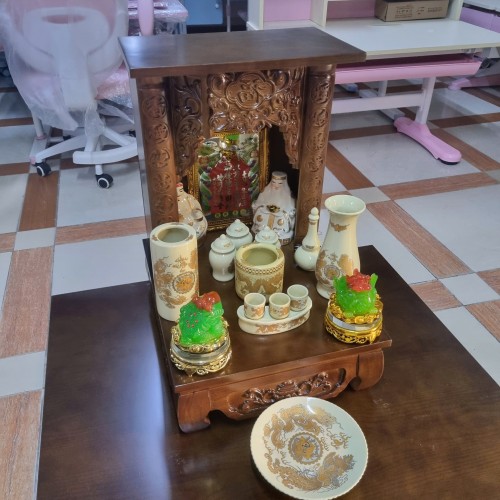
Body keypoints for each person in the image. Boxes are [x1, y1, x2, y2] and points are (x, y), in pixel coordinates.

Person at [252, 171, 296, 245]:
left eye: (280, 183)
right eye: (274, 182)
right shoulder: (265, 191)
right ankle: (261, 231)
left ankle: (278, 234)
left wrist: (284, 212)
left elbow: (291, 210)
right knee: (261, 215)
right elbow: (258, 203)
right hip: (265, 212)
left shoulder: (288, 195)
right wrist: (263, 207)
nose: (276, 185)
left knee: (282, 220)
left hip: (280, 215)